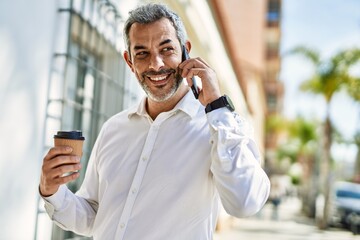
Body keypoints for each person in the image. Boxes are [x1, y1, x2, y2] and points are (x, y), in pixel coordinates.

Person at [39, 3, 270, 239]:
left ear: (185, 51)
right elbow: (95, 217)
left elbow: (244, 203)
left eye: (167, 49)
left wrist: (217, 106)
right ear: (130, 62)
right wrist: (52, 190)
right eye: (142, 53)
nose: (156, 64)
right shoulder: (113, 129)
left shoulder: (220, 127)